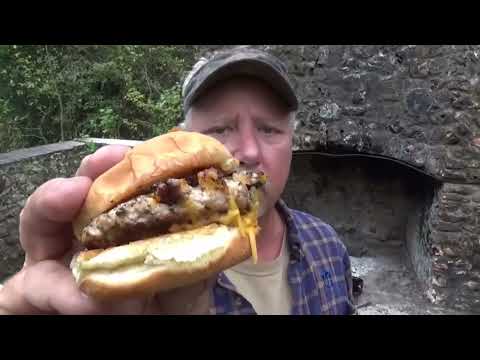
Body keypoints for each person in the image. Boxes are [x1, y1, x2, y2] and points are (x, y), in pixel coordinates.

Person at [0, 47, 356, 315]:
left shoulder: (328, 246)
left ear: (292, 143)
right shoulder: (140, 297)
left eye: (269, 129)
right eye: (220, 129)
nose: (248, 151)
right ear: (180, 141)